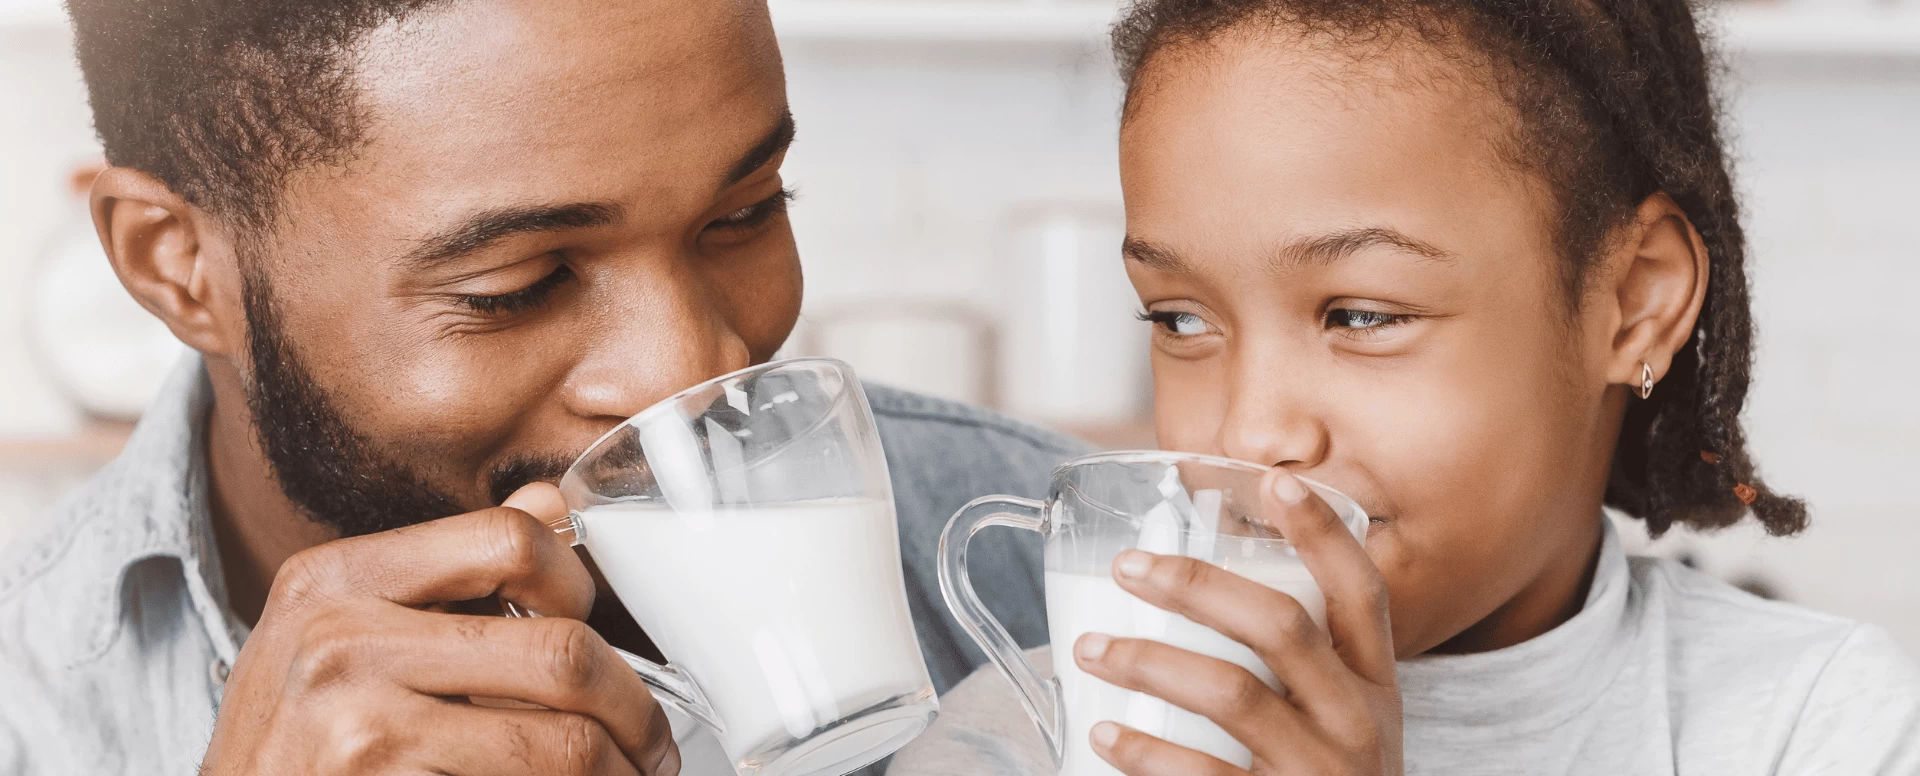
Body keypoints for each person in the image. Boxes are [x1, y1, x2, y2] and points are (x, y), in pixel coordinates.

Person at [0, 1, 1084, 773]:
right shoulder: (29, 702)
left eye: (748, 211)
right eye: (518, 285)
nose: (693, 367)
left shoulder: (1061, 558)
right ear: (176, 264)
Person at [889, 0, 1920, 773]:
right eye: (1181, 320)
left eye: (1361, 315)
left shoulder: (1817, 722)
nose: (1253, 433)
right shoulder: (1047, 724)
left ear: (1635, 299)